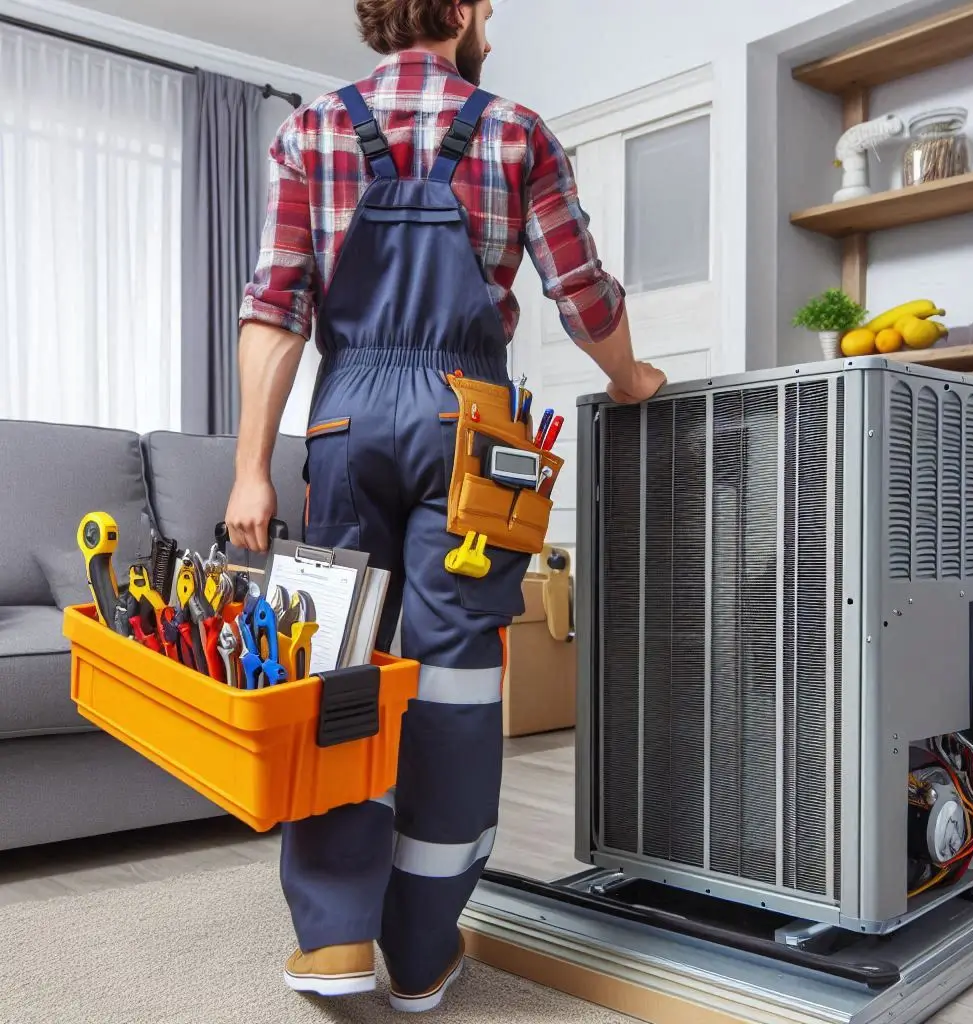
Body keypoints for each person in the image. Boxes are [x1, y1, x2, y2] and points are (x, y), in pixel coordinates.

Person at [225, 0, 666, 1012]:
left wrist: (253, 467)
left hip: (344, 422)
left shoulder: (313, 129)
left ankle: (335, 936)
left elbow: (275, 308)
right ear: (460, 11)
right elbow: (581, 292)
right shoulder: (515, 130)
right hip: (471, 425)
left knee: (335, 664)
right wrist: (632, 376)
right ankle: (422, 949)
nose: (491, 33)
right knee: (457, 681)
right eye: (489, 13)